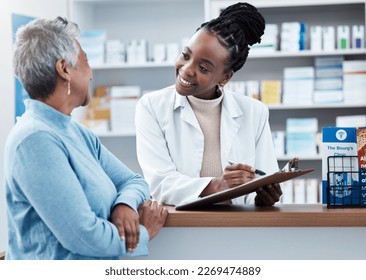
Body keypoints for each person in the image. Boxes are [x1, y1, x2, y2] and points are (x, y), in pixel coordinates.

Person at [4, 16, 168, 260]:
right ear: (64, 69)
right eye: (86, 61)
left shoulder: (77, 133)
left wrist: (123, 205)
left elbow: (134, 181)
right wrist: (142, 234)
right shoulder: (35, 139)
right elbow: (83, 235)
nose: (91, 74)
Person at [135, 2, 282, 207]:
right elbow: (159, 184)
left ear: (225, 77)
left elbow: (264, 179)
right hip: (180, 228)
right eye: (186, 55)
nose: (186, 70)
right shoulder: (151, 107)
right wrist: (217, 185)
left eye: (203, 68)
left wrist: (264, 198)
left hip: (239, 228)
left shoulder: (254, 112)